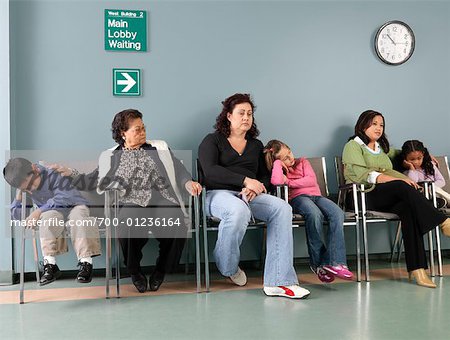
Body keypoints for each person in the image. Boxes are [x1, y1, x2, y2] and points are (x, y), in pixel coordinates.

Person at [54, 109, 202, 293]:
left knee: (177, 220)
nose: (143, 132)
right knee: (126, 223)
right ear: (123, 133)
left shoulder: (159, 147)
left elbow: (178, 169)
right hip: (131, 201)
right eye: (137, 129)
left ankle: (161, 269)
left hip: (162, 197)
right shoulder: (111, 156)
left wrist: (188, 182)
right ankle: (134, 271)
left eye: (143, 128)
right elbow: (92, 180)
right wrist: (71, 174)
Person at [198, 93, 310, 299]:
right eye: (241, 113)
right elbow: (210, 171)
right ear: (228, 116)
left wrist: (255, 187)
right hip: (216, 194)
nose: (246, 117)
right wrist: (245, 181)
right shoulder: (212, 140)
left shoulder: (256, 145)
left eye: (249, 113)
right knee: (237, 210)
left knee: (282, 208)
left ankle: (279, 281)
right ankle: (228, 266)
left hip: (249, 195)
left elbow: (265, 177)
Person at [342, 109, 450, 288]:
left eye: (381, 125)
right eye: (374, 124)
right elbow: (361, 174)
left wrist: (425, 154)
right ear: (363, 125)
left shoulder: (381, 148)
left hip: (382, 194)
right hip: (360, 194)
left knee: (408, 210)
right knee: (402, 185)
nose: (378, 128)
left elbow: (401, 154)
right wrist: (392, 178)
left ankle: (417, 269)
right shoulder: (353, 146)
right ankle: (443, 222)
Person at [264, 139, 353, 283]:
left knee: (337, 213)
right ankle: (318, 265)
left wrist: (290, 182)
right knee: (314, 214)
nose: (291, 158)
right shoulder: (279, 169)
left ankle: (334, 262)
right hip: (298, 199)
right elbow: (276, 181)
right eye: (285, 158)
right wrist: (277, 164)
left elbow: (311, 180)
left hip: (317, 196)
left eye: (290, 153)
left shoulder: (303, 162)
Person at [3, 157, 101, 285]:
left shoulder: (52, 173)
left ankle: (86, 262)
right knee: (47, 218)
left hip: (74, 205)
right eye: (27, 188)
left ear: (35, 168)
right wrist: (19, 196)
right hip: (54, 213)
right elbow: (19, 217)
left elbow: (65, 198)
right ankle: (50, 265)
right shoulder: (26, 186)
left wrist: (38, 212)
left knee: (79, 218)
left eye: (32, 183)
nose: (31, 189)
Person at [400, 139, 450, 207]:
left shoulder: (430, 165)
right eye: (412, 159)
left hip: (436, 191)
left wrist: (429, 187)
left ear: (423, 155)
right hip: (422, 196)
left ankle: (443, 201)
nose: (416, 162)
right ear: (405, 159)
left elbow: (442, 181)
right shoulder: (407, 172)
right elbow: (413, 183)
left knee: (434, 189)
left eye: (419, 158)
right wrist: (411, 168)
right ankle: (442, 202)